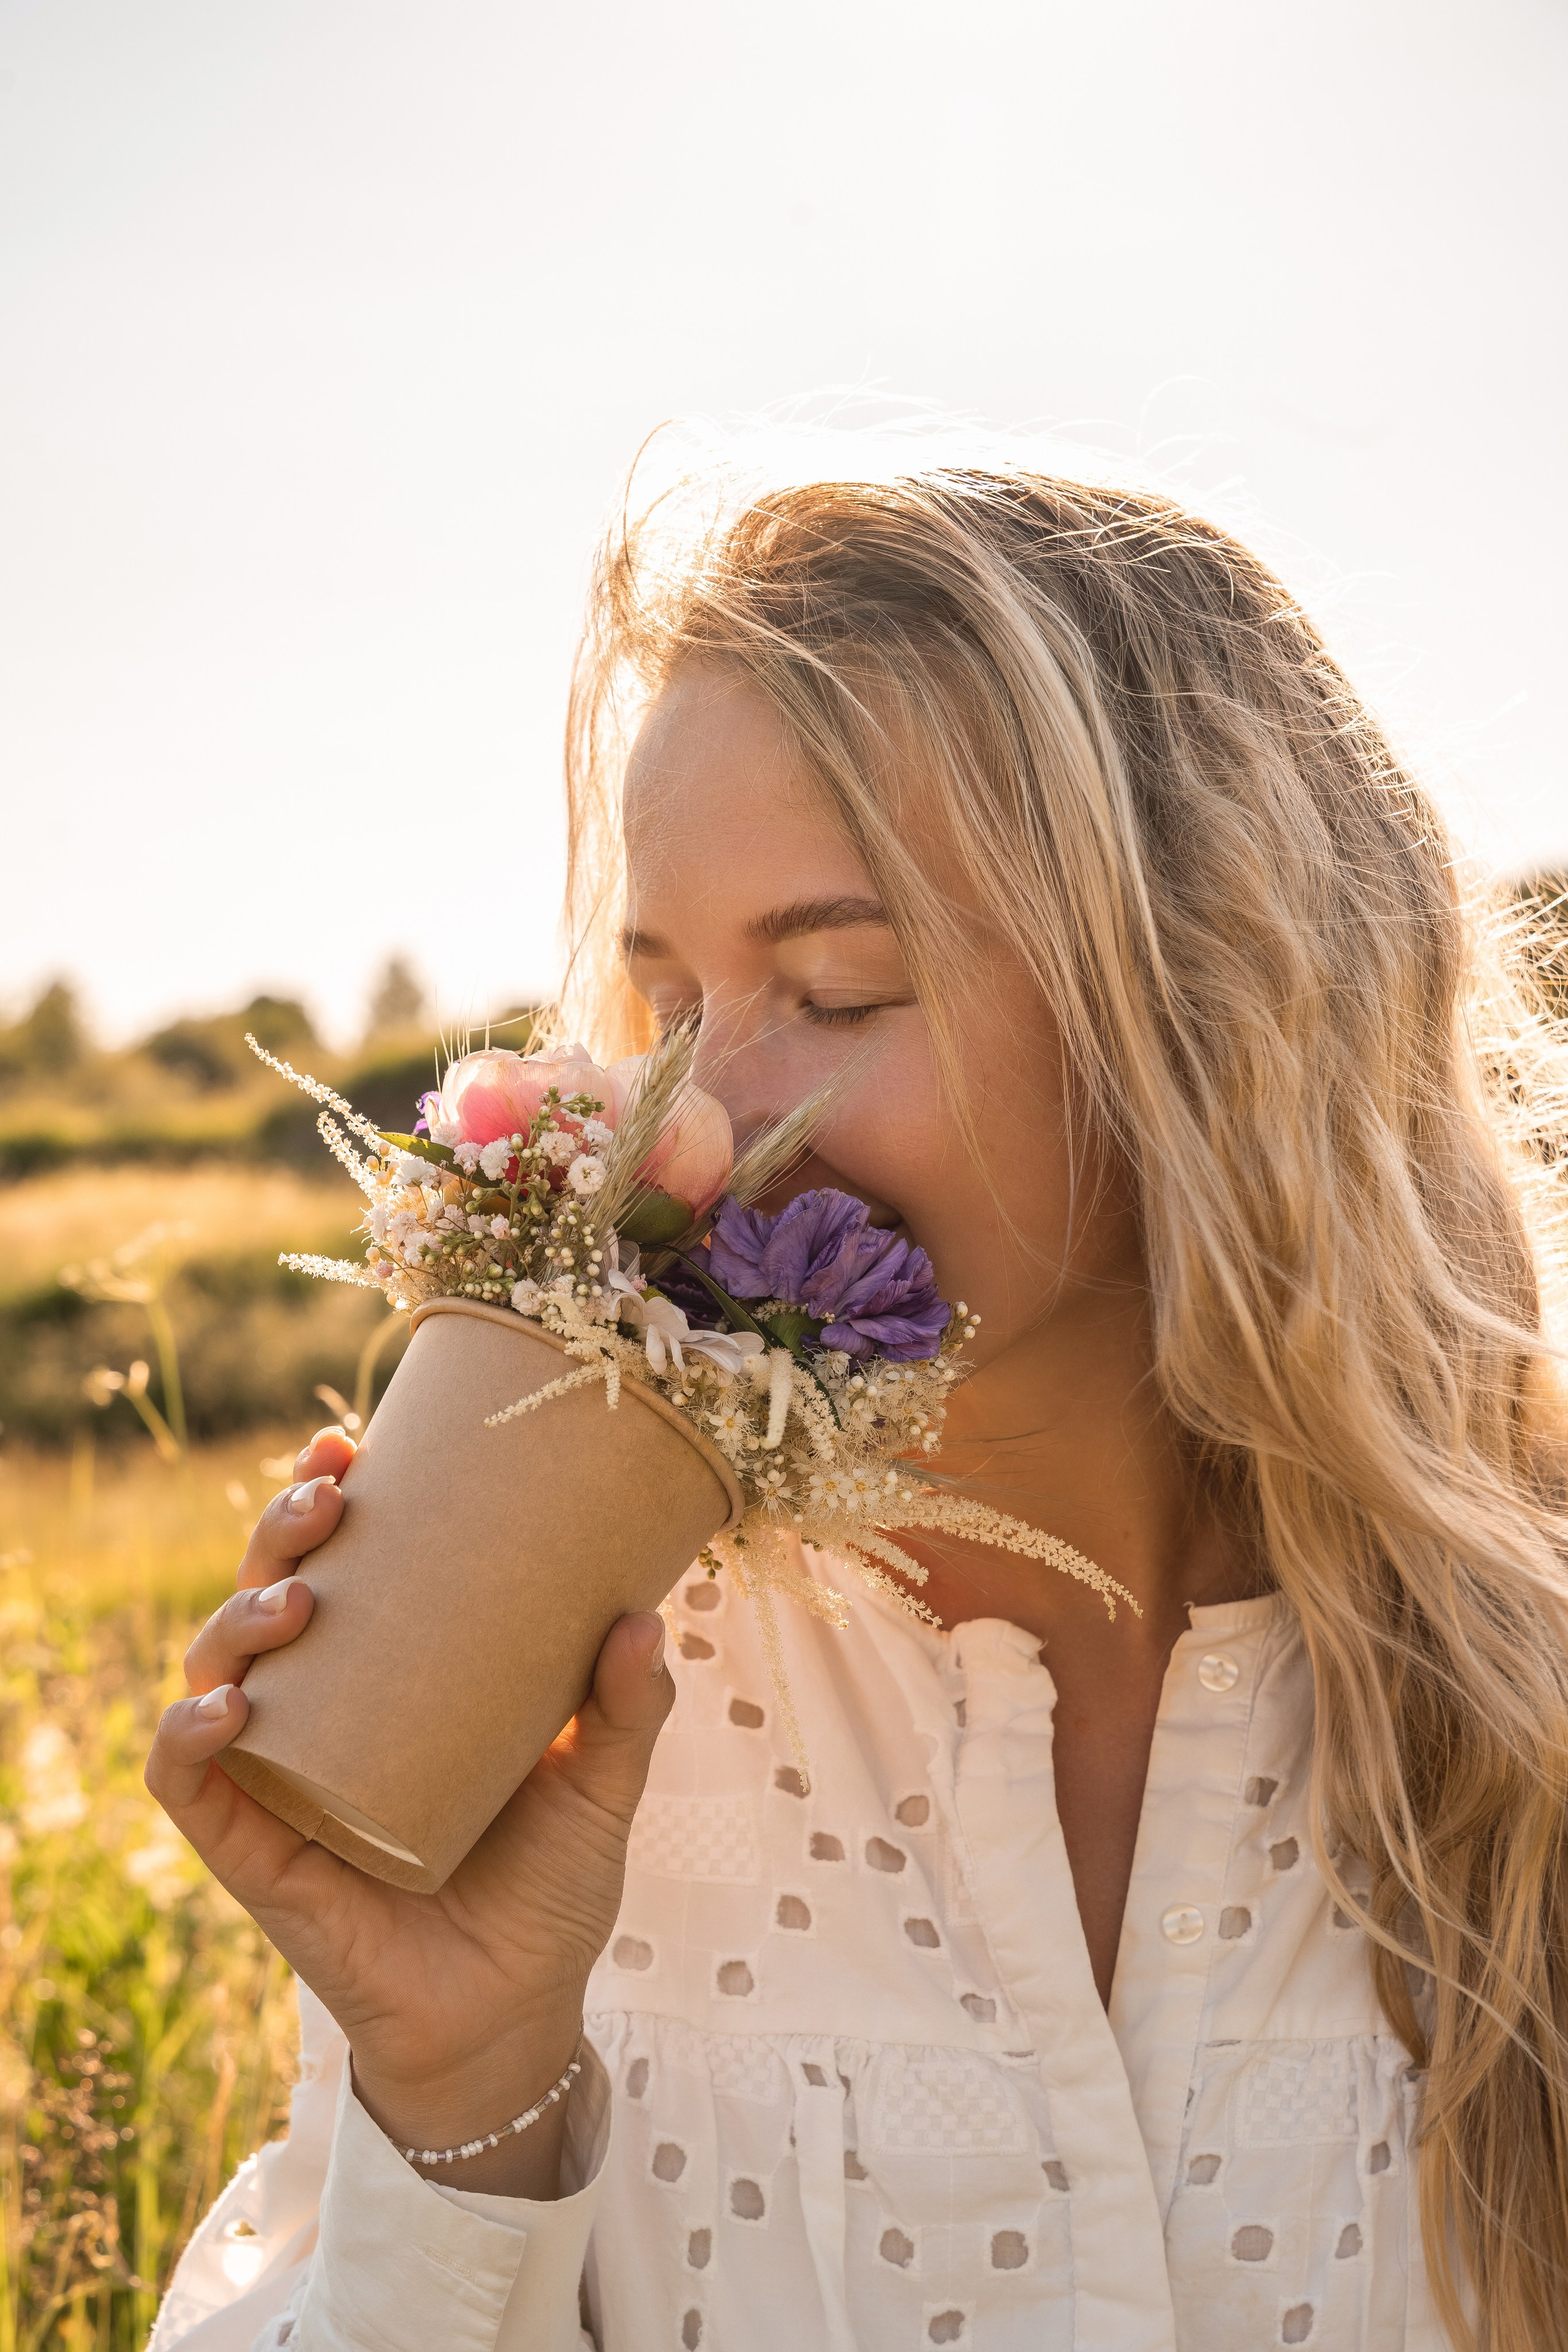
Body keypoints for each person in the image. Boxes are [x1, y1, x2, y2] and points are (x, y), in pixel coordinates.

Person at [146, 441, 1568, 2352]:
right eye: (665, 1004)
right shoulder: (574, 1699)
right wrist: (458, 2091)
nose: (707, 1118)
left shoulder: (1518, 1669)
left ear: (1216, 1008)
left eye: (837, 987)